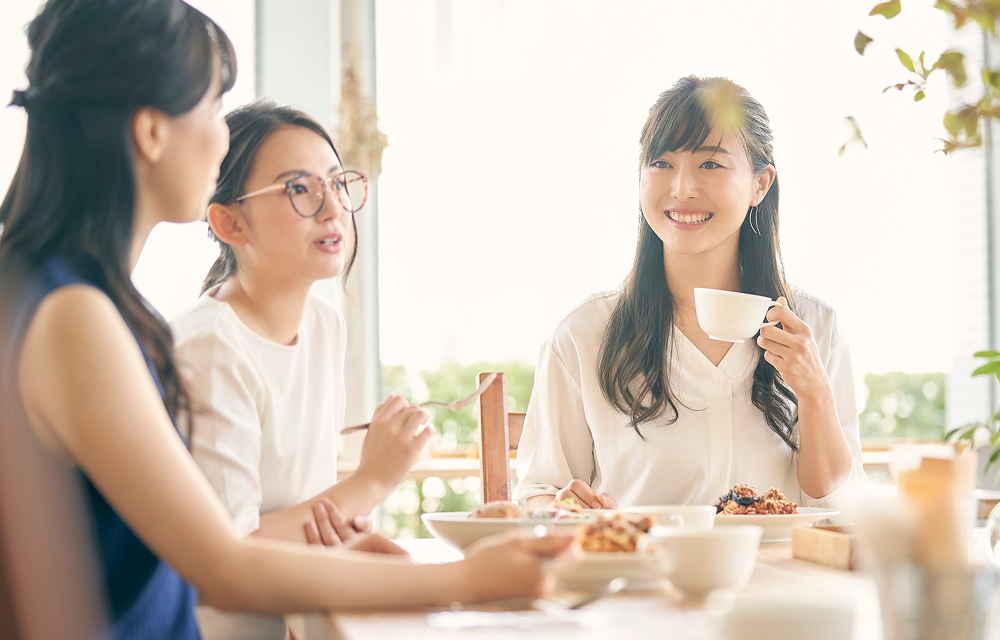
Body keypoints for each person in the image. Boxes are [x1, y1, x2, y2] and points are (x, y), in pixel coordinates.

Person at [0, 1, 575, 638]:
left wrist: (346, 553)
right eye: (214, 108)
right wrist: (467, 580)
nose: (220, 137)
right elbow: (224, 562)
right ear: (151, 131)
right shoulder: (74, 316)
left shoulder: (52, 295)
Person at [513, 76, 866, 517]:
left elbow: (834, 501)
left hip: (778, 582)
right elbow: (540, 492)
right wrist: (560, 509)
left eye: (710, 165)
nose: (681, 188)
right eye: (661, 163)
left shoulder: (815, 327)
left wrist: (815, 394)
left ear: (761, 184)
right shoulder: (585, 335)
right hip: (641, 581)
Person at [170, 102, 434, 638]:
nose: (333, 208)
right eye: (299, 189)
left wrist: (349, 540)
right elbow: (230, 552)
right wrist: (372, 481)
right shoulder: (209, 348)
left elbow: (298, 507)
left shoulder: (323, 325)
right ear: (230, 221)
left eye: (338, 184)